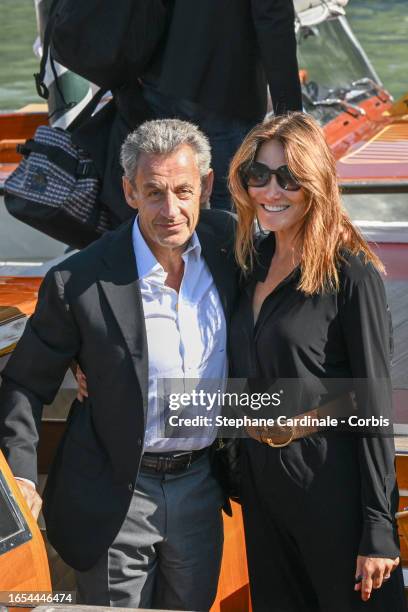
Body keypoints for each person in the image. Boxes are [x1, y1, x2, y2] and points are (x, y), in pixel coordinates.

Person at [0, 119, 238, 611]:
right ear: (129, 192)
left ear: (207, 188)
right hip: (115, 496)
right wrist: (22, 477)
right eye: (153, 192)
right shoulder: (78, 281)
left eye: (183, 191)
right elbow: (23, 382)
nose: (170, 210)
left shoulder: (229, 247)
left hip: (203, 486)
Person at [227, 112, 406, 611]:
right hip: (262, 487)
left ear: (316, 183)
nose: (271, 190)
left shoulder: (353, 274)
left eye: (288, 177)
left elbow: (373, 401)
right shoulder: (249, 263)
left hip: (331, 485)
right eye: (258, 175)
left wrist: (378, 527)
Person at [142, 0, 303, 210]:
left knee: (162, 194)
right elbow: (273, 19)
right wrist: (290, 117)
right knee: (228, 204)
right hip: (224, 90)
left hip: (159, 79)